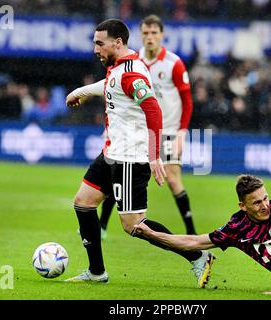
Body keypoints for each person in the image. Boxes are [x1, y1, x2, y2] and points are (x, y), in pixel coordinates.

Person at [65, 19, 214, 288]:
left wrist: (155, 155)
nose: (95, 49)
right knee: (83, 202)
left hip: (131, 159)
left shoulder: (132, 73)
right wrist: (81, 91)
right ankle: (96, 272)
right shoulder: (119, 67)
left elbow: (153, 109)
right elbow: (111, 84)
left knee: (134, 225)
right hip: (111, 153)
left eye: (100, 43)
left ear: (118, 43)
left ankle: (198, 255)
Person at [74, 15, 198, 239]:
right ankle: (100, 235)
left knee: (170, 181)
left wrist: (180, 132)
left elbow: (177, 103)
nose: (150, 37)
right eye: (146, 33)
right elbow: (115, 90)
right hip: (127, 138)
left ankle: (190, 239)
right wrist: (82, 92)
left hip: (163, 131)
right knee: (90, 197)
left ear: (161, 35)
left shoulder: (172, 63)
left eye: (154, 33)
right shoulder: (128, 60)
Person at [133, 174, 271, 294]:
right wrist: (152, 234)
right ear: (243, 206)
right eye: (257, 203)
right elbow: (191, 242)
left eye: (265, 198)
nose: (265, 206)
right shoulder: (237, 229)